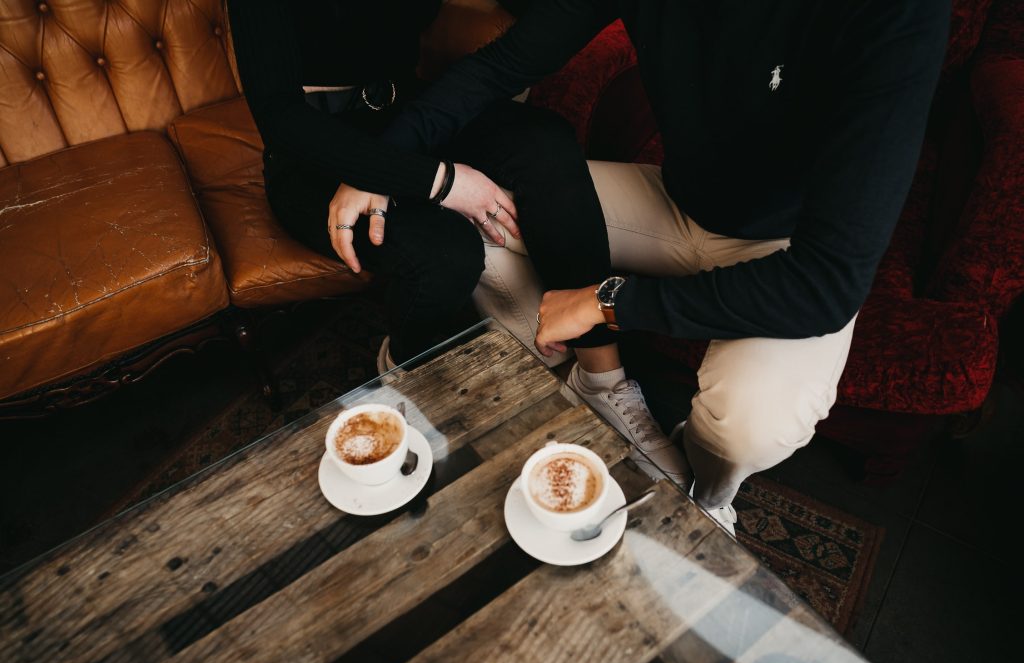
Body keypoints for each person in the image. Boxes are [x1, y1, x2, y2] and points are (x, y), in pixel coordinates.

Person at [358, 0, 950, 535]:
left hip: (791, 251)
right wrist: (382, 166)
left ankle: (705, 495)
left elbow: (828, 284)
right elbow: (501, 66)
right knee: (468, 215)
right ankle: (585, 386)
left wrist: (606, 300)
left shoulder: (897, 16)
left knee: (750, 424)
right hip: (672, 203)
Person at [230, 0, 691, 482]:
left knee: (545, 144)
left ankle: (601, 379)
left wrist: (400, 157)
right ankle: (404, 367)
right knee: (446, 254)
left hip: (405, 114)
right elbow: (280, 118)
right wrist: (439, 180)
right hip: (313, 152)